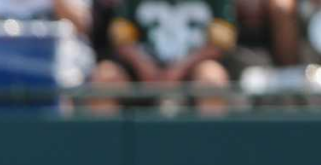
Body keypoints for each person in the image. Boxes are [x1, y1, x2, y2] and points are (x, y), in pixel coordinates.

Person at [90, 0, 238, 113]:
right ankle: (104, 150)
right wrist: (146, 68)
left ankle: (211, 148)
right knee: (105, 77)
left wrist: (179, 69)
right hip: (142, 74)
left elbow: (220, 42)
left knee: (211, 78)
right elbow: (120, 38)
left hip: (192, 72)